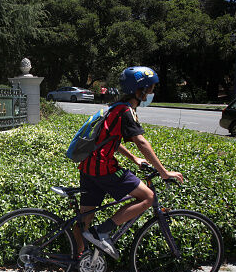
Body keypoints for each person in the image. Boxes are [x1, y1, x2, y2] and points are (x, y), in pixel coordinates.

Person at [76, 66, 183, 259]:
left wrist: (133, 158)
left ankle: (79, 259)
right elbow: (141, 142)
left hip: (89, 166)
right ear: (139, 90)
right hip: (104, 168)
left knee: (85, 218)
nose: (152, 93)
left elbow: (109, 139)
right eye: (150, 88)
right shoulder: (126, 111)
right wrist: (164, 172)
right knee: (148, 197)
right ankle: (103, 231)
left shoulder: (115, 107)